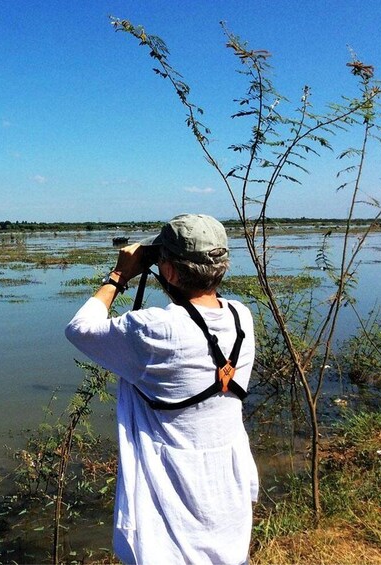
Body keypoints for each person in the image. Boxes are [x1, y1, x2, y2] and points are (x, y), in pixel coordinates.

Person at [65, 214, 258, 565]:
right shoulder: (241, 317)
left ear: (168, 272)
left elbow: (80, 329)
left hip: (172, 505)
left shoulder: (154, 329)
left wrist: (119, 275)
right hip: (227, 494)